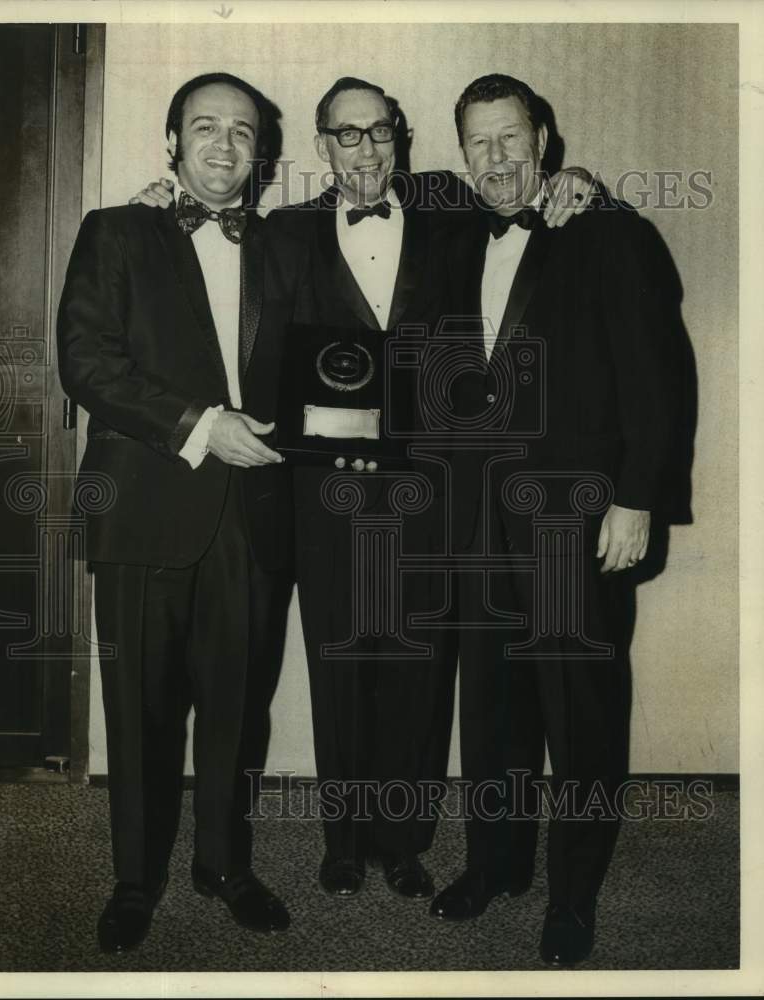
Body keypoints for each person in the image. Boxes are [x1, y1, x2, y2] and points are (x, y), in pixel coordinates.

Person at [132, 75, 594, 903]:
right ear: (322, 146)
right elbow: (201, 250)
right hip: (323, 498)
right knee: (338, 667)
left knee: (418, 673)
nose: (364, 150)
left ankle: (403, 841)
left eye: (378, 132)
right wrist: (159, 202)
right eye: (346, 135)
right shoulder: (282, 232)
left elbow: (524, 194)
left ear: (399, 138)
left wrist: (583, 186)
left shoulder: (452, 208)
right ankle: (342, 844)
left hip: (433, 491)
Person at [428, 73, 678, 966]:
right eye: (476, 144)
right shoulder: (453, 236)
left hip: (581, 524)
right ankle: (495, 864)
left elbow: (657, 378)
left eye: (508, 139)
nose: (494, 160)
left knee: (581, 720)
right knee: (491, 714)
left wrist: (638, 497)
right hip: (479, 530)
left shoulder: (610, 233)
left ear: (541, 138)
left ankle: (572, 897)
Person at [57, 72, 303, 952]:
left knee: (239, 708)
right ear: (171, 144)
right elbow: (86, 364)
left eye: (242, 132)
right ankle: (135, 879)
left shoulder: (286, 247)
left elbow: (394, 207)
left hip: (253, 513)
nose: (224, 146)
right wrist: (200, 424)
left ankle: (224, 865)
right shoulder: (116, 231)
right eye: (205, 128)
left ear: (261, 153)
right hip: (142, 508)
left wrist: (567, 189)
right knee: (139, 710)